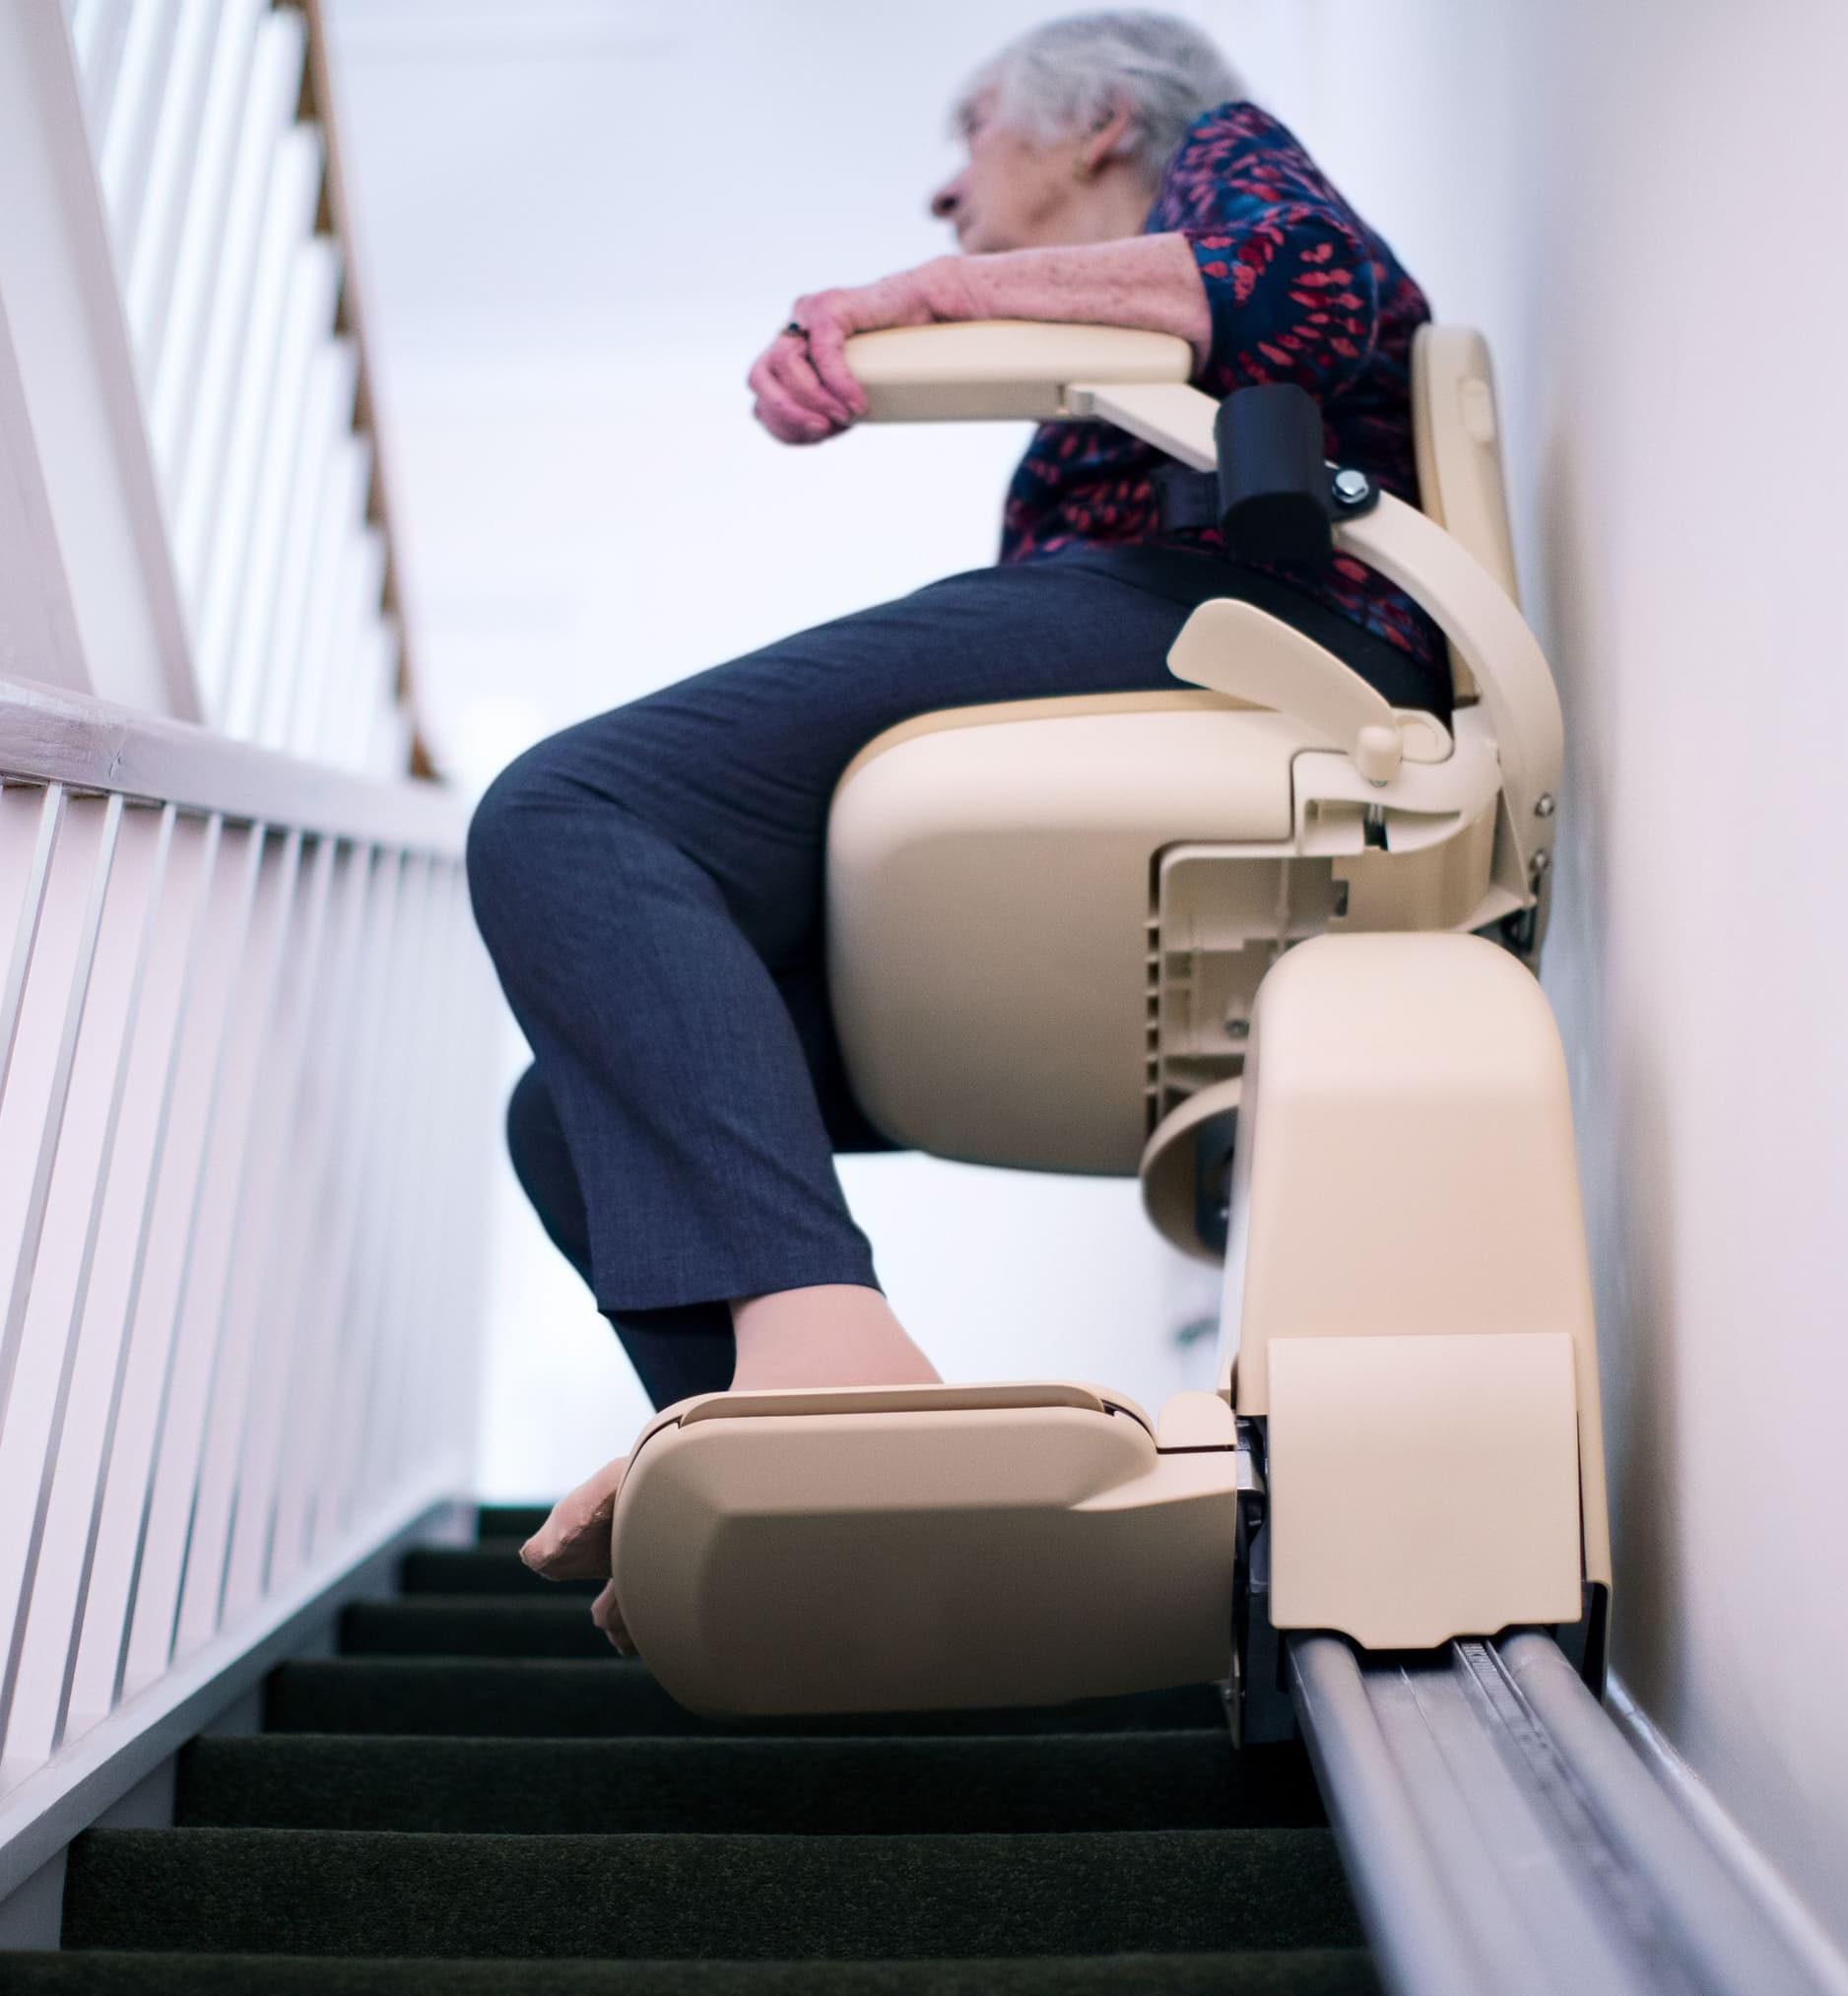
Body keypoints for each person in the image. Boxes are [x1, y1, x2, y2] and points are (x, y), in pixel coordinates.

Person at [465, 12, 1443, 1647]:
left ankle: (827, 1362)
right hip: (1174, 656)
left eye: (974, 130)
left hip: (1265, 622)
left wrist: (902, 308)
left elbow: (1302, 278)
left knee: (571, 808)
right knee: (565, 1110)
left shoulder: (1224, 158)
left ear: (1097, 123)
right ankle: (814, 1508)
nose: (942, 194)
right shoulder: (1104, 354)